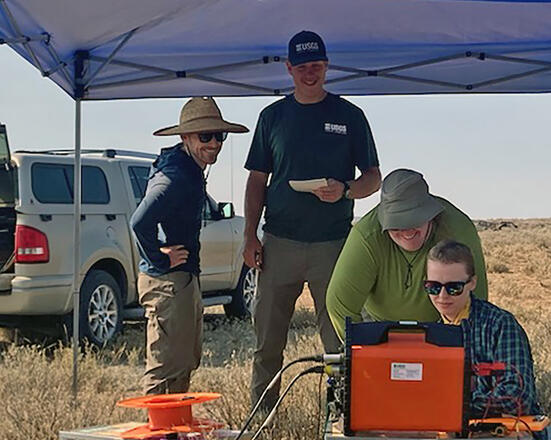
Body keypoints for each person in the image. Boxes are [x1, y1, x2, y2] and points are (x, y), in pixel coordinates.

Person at [243, 30, 381, 408]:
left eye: (316, 66)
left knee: (340, 341)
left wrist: (347, 189)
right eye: (302, 67)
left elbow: (374, 177)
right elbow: (257, 180)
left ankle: (343, 418)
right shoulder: (271, 117)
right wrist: (249, 236)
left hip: (334, 245)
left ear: (327, 66)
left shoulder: (350, 116)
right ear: (288, 68)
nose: (310, 74)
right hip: (278, 243)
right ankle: (263, 422)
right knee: (267, 343)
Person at [131, 96, 247, 394]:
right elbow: (139, 221)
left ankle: (174, 431)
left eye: (218, 135)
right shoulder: (176, 175)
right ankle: (158, 436)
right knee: (166, 367)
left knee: (181, 362)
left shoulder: (185, 167)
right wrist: (158, 258)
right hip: (168, 283)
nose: (214, 143)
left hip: (179, 280)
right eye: (204, 136)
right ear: (185, 137)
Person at [326, 169, 488, 334]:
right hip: (378, 324)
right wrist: (361, 351)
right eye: (396, 224)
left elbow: (477, 301)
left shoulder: (458, 230)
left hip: (444, 325)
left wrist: (461, 348)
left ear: (430, 215)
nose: (406, 231)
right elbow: (340, 305)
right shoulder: (367, 235)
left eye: (414, 220)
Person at [423, 239, 538, 418]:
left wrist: (457, 406)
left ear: (472, 283)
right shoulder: (427, 335)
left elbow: (517, 398)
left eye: (454, 288)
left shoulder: (500, 325)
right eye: (433, 287)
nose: (442, 296)